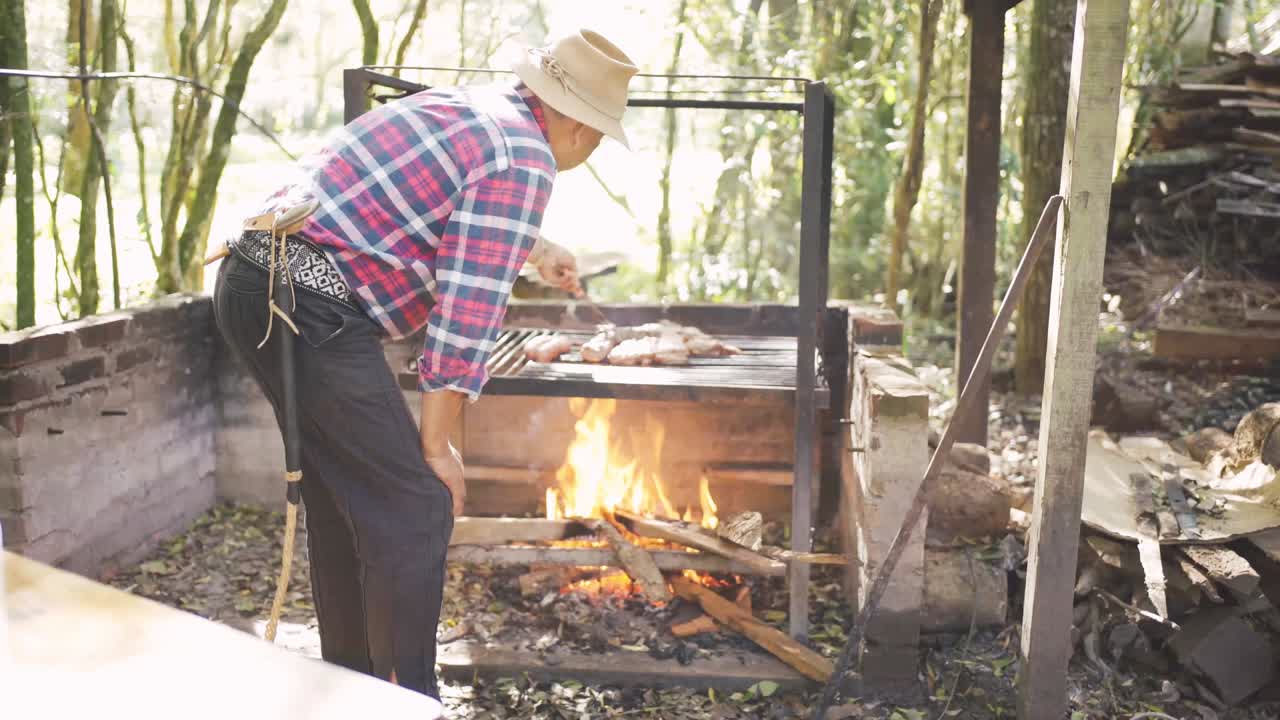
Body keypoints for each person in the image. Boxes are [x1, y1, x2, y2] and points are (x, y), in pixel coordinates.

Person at [212, 29, 638, 700]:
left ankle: (352, 693)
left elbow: (425, 209)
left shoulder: (473, 110)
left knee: (346, 504)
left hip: (255, 281)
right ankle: (407, 701)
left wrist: (536, 246)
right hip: (307, 303)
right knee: (416, 507)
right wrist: (438, 447)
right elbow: (466, 316)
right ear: (583, 128)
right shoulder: (526, 158)